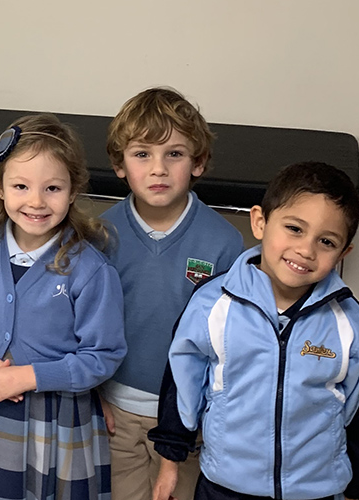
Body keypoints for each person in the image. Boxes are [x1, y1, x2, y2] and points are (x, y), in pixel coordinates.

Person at [149, 162, 359, 500]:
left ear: (343, 253)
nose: (306, 250)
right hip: (225, 485)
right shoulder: (211, 305)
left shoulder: (353, 324)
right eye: (294, 228)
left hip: (315, 489)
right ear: (260, 222)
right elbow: (182, 384)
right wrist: (170, 458)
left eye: (326, 241)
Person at [0, 113, 127, 499]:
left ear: (73, 190)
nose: (36, 201)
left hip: (57, 420)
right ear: (0, 187)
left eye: (52, 188)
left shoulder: (90, 269)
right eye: (21, 186)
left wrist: (28, 377)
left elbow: (102, 356)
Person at [99, 87, 243, 500]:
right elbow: (80, 324)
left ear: (198, 162)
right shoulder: (99, 236)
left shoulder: (224, 243)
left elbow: (229, 341)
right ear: (119, 164)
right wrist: (92, 396)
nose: (158, 169)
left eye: (174, 154)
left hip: (187, 417)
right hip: (115, 412)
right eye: (142, 154)